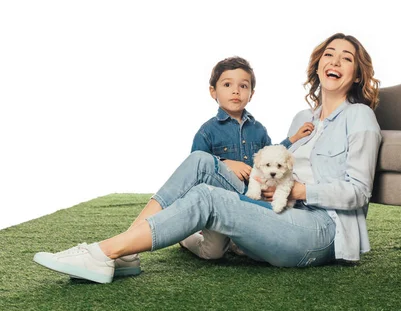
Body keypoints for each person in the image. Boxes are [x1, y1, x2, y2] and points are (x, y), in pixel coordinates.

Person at [33, 33, 382, 283]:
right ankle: (126, 251)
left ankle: (103, 252)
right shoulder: (301, 120)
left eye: (346, 58)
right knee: (201, 161)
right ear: (319, 64)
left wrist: (301, 193)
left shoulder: (360, 117)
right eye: (330, 54)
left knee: (209, 198)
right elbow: (272, 169)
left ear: (355, 74)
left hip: (320, 229)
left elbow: (358, 192)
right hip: (275, 210)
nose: (335, 61)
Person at [180, 56, 312, 260]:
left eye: (243, 86)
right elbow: (196, 168)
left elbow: (271, 155)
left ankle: (234, 242)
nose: (236, 91)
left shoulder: (258, 129)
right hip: (218, 205)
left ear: (251, 94)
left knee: (254, 249)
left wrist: (293, 138)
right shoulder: (207, 132)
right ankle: (188, 237)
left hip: (248, 203)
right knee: (212, 253)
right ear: (213, 91)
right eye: (227, 84)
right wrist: (224, 163)